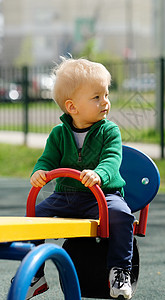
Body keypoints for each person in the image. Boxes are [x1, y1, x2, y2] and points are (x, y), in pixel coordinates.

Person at [26, 57, 135, 299]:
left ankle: (120, 270)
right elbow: (47, 159)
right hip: (65, 196)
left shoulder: (110, 131)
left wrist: (99, 174)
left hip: (101, 195)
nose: (105, 102)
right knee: (33, 217)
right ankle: (36, 275)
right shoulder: (58, 134)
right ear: (72, 107)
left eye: (106, 94)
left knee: (122, 215)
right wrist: (39, 172)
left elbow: (111, 160)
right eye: (96, 97)